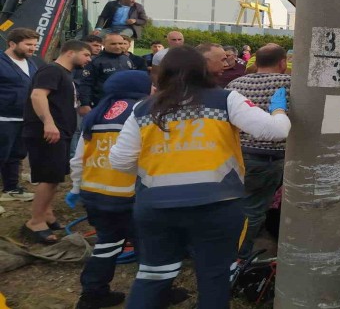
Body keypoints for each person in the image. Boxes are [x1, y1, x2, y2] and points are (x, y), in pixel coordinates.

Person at [107, 46, 290, 309]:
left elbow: (120, 161)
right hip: (216, 206)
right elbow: (275, 131)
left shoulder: (143, 109)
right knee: (214, 278)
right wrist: (278, 110)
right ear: (203, 69)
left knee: (153, 276)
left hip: (156, 208)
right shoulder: (226, 100)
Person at [67, 71, 152, 309]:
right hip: (129, 194)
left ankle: (93, 293)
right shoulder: (143, 112)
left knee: (108, 243)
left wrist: (76, 186)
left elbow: (78, 157)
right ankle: (156, 293)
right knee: (150, 246)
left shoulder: (96, 113)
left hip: (94, 192)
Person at [22, 40, 92, 244]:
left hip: (60, 132)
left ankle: (47, 214)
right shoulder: (52, 70)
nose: (89, 59)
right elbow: (38, 95)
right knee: (49, 177)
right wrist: (48, 123)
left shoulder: (65, 74)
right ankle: (35, 222)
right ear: (70, 52)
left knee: (55, 176)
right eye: (86, 55)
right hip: (47, 132)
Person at [226, 43, 290, 260]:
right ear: (283, 63)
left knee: (237, 203)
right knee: (253, 209)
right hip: (267, 158)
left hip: (237, 154)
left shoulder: (235, 84)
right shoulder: (288, 84)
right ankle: (239, 256)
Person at [0, 28, 39, 207]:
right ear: (12, 44)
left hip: (23, 118)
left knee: (16, 155)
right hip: (3, 118)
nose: (32, 48)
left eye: (34, 45)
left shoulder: (31, 64)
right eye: (28, 44)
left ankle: (11, 188)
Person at [78, 33, 138, 117]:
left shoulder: (126, 59)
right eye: (113, 44)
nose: (117, 46)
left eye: (120, 43)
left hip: (125, 103)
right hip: (102, 104)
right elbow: (86, 84)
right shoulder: (95, 61)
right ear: (104, 44)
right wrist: (84, 104)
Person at [71, 35, 104, 158]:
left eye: (100, 46)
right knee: (77, 130)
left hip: (92, 102)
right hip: (78, 102)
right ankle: (73, 157)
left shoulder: (97, 61)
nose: (98, 48)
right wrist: (84, 102)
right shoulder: (77, 64)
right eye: (95, 45)